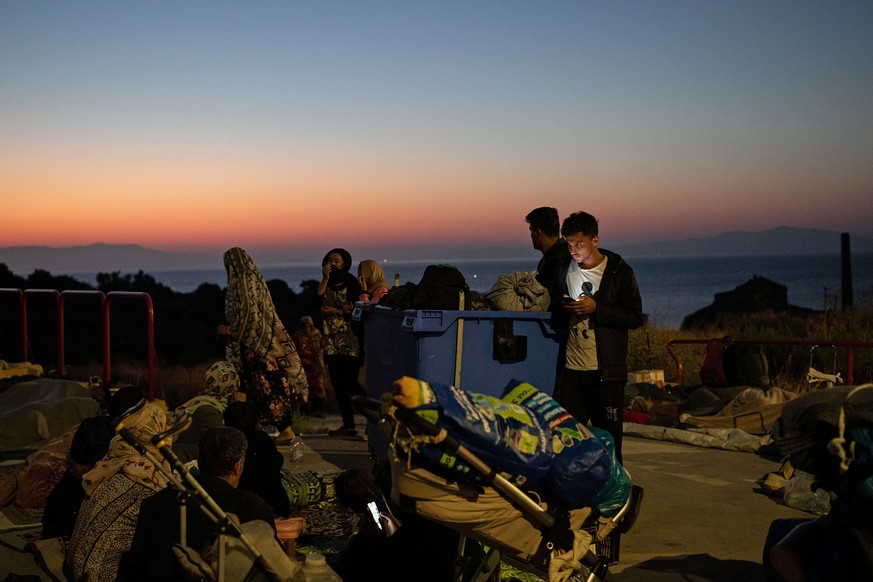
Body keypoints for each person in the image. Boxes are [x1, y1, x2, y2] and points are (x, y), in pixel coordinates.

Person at [117, 426, 277, 581]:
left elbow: (133, 567)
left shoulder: (154, 503)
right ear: (239, 465)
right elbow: (275, 570)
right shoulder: (252, 507)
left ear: (199, 463)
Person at [553, 211, 643, 463]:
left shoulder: (618, 272)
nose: (573, 250)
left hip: (605, 372)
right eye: (569, 244)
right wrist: (563, 304)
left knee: (610, 442)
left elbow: (635, 316)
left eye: (579, 244)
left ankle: (616, 496)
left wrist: (597, 309)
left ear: (595, 240)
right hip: (571, 370)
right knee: (568, 441)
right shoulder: (564, 267)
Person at [65, 401, 170, 582]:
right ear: (152, 433)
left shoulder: (114, 461)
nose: (168, 430)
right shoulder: (145, 478)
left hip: (73, 568)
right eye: (163, 425)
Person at [223, 247, 309, 444]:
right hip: (253, 345)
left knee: (266, 388)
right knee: (246, 387)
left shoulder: (244, 282)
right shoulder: (251, 279)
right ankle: (242, 430)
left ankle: (286, 431)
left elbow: (249, 316)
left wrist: (229, 332)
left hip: (257, 346)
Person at [317, 248, 364, 437]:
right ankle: (349, 425)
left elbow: (359, 310)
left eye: (337, 260)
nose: (333, 263)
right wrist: (325, 279)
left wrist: (335, 312)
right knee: (337, 384)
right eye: (330, 260)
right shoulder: (326, 282)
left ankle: (376, 418)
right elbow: (317, 299)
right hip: (331, 342)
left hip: (350, 340)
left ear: (345, 263)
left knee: (351, 383)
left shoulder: (352, 283)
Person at [223, 400, 292, 517]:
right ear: (256, 423)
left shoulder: (224, 441)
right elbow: (273, 471)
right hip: (261, 497)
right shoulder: (260, 440)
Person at [171, 361, 239, 463]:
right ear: (230, 389)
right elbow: (226, 447)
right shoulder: (209, 412)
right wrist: (240, 408)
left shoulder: (202, 401)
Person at [526, 206, 571, 316]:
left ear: (538, 232)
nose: (531, 235)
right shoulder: (552, 257)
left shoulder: (558, 259)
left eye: (531, 230)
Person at [292, 315, 328, 417]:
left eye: (308, 326)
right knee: (304, 388)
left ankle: (316, 410)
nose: (306, 328)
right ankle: (304, 411)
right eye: (304, 326)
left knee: (319, 388)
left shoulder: (316, 335)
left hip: (316, 366)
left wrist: (319, 362)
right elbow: (294, 352)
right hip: (303, 367)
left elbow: (321, 347)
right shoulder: (297, 337)